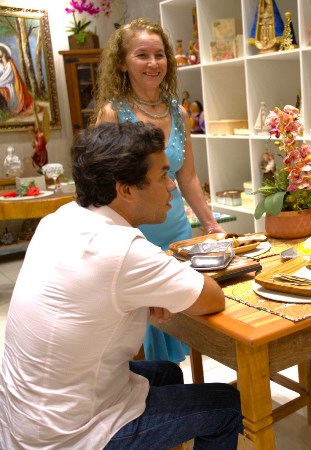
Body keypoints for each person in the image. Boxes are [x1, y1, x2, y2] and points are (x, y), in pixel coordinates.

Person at [0, 122, 242, 449]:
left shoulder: (59, 219)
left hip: (25, 418)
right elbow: (212, 298)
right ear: (125, 189)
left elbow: (103, 287)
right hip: (66, 435)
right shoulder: (122, 249)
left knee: (166, 374)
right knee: (226, 404)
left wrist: (148, 293)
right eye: (162, 176)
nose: (172, 186)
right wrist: (154, 289)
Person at [94, 18, 224, 363]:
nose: (153, 64)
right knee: (140, 329)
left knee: (183, 320)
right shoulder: (112, 114)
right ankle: (149, 395)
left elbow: (189, 178)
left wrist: (211, 226)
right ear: (122, 63)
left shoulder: (179, 114)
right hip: (132, 236)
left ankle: (177, 389)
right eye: (142, 55)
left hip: (177, 230)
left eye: (159, 55)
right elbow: (103, 187)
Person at [0, 43, 33, 116]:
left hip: (10, 87)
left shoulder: (10, 63)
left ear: (3, 51)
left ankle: (5, 109)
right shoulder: (1, 65)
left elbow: (8, 77)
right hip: (2, 85)